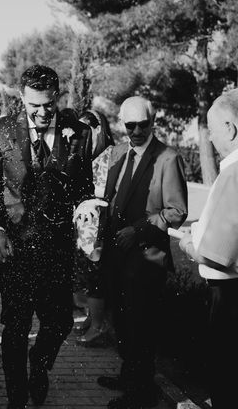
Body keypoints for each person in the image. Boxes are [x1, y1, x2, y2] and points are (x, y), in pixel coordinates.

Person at [0, 64, 94, 408]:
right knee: (15, 327)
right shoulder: (2, 130)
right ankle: (16, 399)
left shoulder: (78, 133)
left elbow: (83, 185)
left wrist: (85, 206)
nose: (43, 112)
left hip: (56, 247)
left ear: (57, 97)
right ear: (22, 98)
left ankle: (40, 366)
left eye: (49, 104)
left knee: (59, 322)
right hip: (13, 246)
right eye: (35, 105)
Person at [96, 96, 187, 409]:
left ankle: (140, 395)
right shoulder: (119, 153)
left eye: (142, 124)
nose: (135, 130)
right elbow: (111, 200)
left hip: (146, 259)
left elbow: (176, 211)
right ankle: (128, 377)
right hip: (116, 256)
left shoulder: (168, 157)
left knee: (142, 330)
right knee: (122, 324)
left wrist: (139, 229)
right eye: (129, 124)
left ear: (153, 121)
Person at [178, 89, 238, 409]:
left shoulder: (232, 173)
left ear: (230, 128)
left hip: (228, 296)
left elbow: (219, 255)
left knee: (226, 378)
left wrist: (190, 245)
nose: (211, 140)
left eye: (212, 131)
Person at [74, 109, 115, 347]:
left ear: (98, 129)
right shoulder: (87, 155)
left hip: (99, 226)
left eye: (85, 131)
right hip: (85, 227)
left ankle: (99, 326)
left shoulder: (110, 155)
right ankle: (92, 319)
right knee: (87, 276)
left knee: (95, 274)